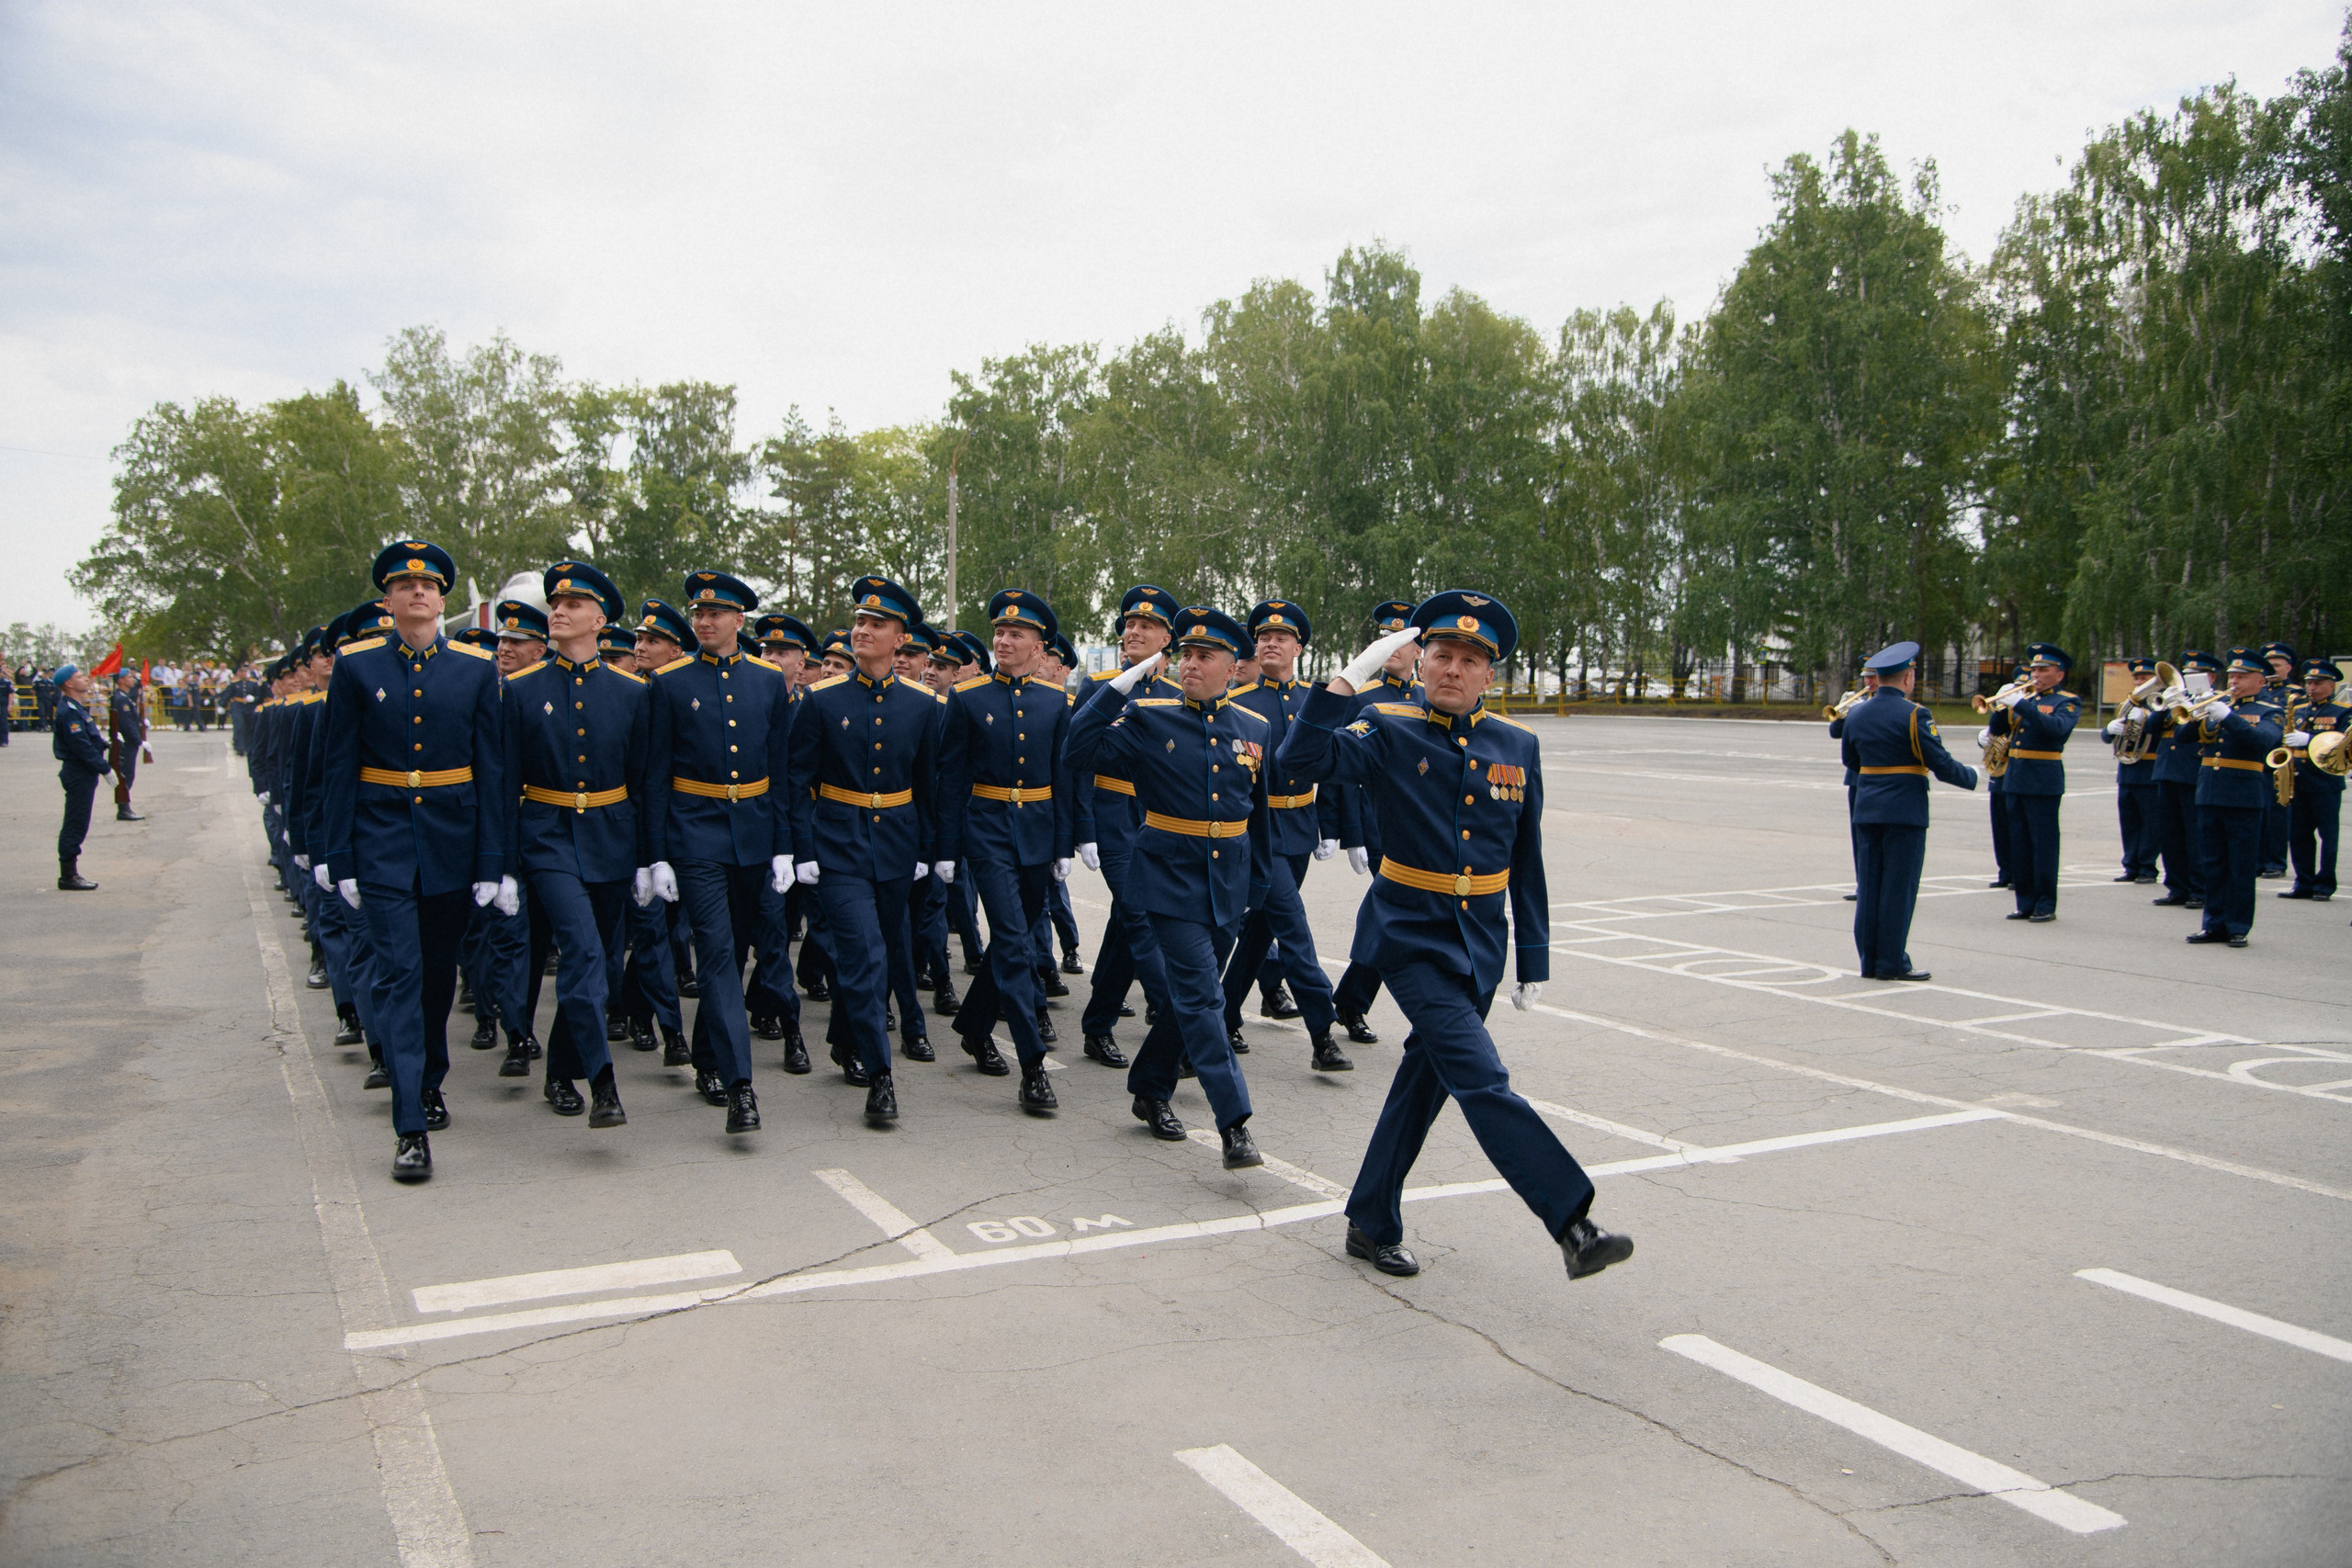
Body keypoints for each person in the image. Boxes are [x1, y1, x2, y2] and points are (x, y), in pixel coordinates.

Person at [1283, 591, 1634, 1283]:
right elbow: (1298, 764)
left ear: (1488, 675)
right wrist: (1343, 684)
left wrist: (1532, 956)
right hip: (1409, 937)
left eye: (1469, 660)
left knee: (1422, 1085)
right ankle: (1573, 1222)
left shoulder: (1517, 744)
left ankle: (1370, 1219)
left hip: (1482, 945)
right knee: (1482, 1077)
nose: (1452, 669)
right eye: (1441, 654)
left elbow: (1526, 859)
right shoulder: (1384, 724)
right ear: (1421, 663)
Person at [319, 541, 508, 1181]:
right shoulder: (355, 667)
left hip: (453, 843)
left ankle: (429, 1078)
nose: (418, 593)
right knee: (400, 973)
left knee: (434, 977)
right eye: (404, 585)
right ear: (389, 600)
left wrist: (492, 860)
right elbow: (337, 764)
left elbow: (492, 770)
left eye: (428, 586)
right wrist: (335, 855)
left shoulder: (477, 669)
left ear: (442, 599)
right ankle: (409, 1126)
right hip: (381, 841)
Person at [1064, 606, 1268, 1166]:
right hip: (1167, 880)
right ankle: (1235, 1123)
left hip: (1227, 883)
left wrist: (1261, 884)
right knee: (1203, 997)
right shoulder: (1149, 716)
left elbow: (1259, 815)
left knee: (1191, 1002)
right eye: (1186, 655)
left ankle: (1151, 1087)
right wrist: (1116, 686)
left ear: (1233, 668)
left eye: (1206, 657)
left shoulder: (1255, 729)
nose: (1192, 665)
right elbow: (1076, 752)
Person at [642, 571, 799, 1132]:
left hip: (755, 833)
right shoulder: (668, 682)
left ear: (739, 621)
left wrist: (785, 847)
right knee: (714, 952)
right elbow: (656, 776)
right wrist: (656, 854)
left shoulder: (765, 681)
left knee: (733, 956)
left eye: (716, 613)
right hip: (695, 833)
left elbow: (779, 773)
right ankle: (740, 1086)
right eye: (698, 613)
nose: (704, 622)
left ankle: (708, 1055)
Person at [785, 576, 940, 1126]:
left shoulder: (923, 704)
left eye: (876, 624)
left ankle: (843, 1037)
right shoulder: (821, 698)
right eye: (859, 622)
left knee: (878, 951)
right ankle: (881, 1076)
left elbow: (929, 785)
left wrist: (929, 847)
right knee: (866, 955)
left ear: (900, 639)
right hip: (837, 844)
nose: (862, 630)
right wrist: (800, 849)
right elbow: (795, 779)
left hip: (896, 845)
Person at [501, 560, 645, 1130]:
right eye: (555, 604)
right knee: (582, 953)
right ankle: (603, 1081)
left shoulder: (632, 693)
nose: (558, 611)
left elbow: (643, 781)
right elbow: (503, 780)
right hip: (547, 838)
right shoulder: (520, 690)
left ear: (599, 619)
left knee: (604, 967)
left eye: (572, 605)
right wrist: (502, 863)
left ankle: (559, 1070)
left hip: (611, 839)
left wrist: (647, 856)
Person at [941, 588, 1072, 1112]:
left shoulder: (1056, 702)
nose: (1005, 640)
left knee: (1011, 942)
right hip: (988, 830)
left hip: (1039, 830)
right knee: (1015, 941)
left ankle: (974, 1026)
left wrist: (1065, 843)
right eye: (1000, 632)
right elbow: (950, 779)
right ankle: (1033, 1066)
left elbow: (1065, 779)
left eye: (1017, 634)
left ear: (1040, 647)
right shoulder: (969, 698)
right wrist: (946, 847)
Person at [1218, 599, 1347, 1071]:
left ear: (1298, 647)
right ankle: (1323, 1032)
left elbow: (1331, 767)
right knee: (1295, 931)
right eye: (1264, 638)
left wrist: (1330, 829)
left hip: (1300, 828)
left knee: (1259, 933)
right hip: (1260, 833)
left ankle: (1226, 1011)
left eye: (1282, 638)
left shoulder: (1315, 701)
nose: (1272, 643)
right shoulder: (1237, 705)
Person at [1072, 585, 1185, 1068]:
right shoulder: (1100, 685)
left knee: (1126, 927)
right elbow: (1074, 758)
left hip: (1155, 822)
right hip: (1111, 819)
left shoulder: (1176, 694)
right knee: (1143, 918)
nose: (1133, 632)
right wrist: (1083, 829)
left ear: (1167, 639)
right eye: (1129, 625)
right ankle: (1174, 1022)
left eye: (1146, 626)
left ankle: (1097, 1026)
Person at [1841, 640, 1980, 982]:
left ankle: (1869, 961)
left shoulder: (1856, 713)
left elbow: (1851, 761)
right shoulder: (1915, 714)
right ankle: (1892, 963)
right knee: (1898, 889)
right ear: (1907, 678)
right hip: (1904, 809)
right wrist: (1974, 776)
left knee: (1871, 886)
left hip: (1867, 808)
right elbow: (1941, 764)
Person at [1327, 600, 1426, 1046]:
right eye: (1385, 638)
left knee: (1392, 922)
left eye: (1402, 640)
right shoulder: (1363, 698)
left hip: (1423, 830)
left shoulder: (1428, 699)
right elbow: (1342, 769)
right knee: (1402, 920)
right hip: (1378, 826)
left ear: (1419, 649)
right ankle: (1412, 1013)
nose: (1393, 648)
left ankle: (1349, 1000)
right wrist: (1351, 833)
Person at [2180, 649, 2285, 947]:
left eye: (2242, 676)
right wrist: (2195, 710)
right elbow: (2183, 739)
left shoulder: (2269, 711)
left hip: (2243, 795)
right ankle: (2213, 923)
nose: (2235, 681)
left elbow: (2262, 741)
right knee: (2213, 863)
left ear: (2260, 681)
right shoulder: (2218, 705)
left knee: (2240, 865)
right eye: (2233, 676)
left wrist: (2228, 716)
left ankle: (2238, 925)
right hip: (2210, 791)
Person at [1983, 643, 2077, 922]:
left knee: (2043, 844)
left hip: (2043, 780)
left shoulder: (2066, 701)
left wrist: (2021, 704)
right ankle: (2024, 902)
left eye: (2042, 669)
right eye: (2033, 668)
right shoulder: (2027, 698)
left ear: (2058, 675)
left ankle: (2046, 903)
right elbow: (1997, 730)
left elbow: (2056, 730)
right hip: (2015, 778)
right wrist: (2001, 707)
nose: (2035, 673)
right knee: (2020, 843)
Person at [2150, 650, 2221, 911]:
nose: (2188, 680)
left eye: (2195, 675)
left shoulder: (2212, 701)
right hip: (2166, 770)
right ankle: (2176, 886)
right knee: (2170, 834)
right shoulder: (2177, 696)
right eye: (2186, 675)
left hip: (2192, 771)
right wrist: (2167, 702)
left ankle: (2198, 888)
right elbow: (2152, 728)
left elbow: (2188, 733)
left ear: (2211, 677)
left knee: (2194, 835)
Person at [2278, 659, 2346, 902]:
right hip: (2299, 780)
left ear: (2331, 685)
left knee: (2328, 836)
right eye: (2309, 682)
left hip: (2326, 782)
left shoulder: (2342, 711)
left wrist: (2310, 738)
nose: (2312, 688)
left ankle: (2325, 884)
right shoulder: (2298, 709)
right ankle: (2303, 881)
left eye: (2318, 683)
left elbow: (2342, 743)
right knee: (2299, 835)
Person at [51, 662, 111, 890]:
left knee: (80, 821)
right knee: (75, 823)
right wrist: (104, 768)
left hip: (83, 771)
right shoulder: (68, 711)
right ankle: (68, 875)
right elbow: (80, 746)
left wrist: (104, 743)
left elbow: (89, 739)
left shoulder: (76, 708)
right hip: (78, 772)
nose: (85, 679)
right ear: (68, 683)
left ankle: (70, 872)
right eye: (79, 676)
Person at [2103, 657, 2163, 883]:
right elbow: (2108, 737)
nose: (2139, 682)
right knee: (2129, 822)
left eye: (2145, 678)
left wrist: (2148, 719)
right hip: (2127, 771)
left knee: (2150, 823)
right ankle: (2131, 866)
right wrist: (2110, 730)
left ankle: (2147, 867)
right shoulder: (2127, 705)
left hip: (2150, 769)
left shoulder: (2160, 704)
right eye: (2137, 678)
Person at [1828, 661, 1876, 899]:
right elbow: (1836, 734)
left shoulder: (1891, 705)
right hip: (1857, 779)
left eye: (1872, 678)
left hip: (1878, 778)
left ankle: (1877, 885)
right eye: (1866, 678)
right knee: (1860, 836)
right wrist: (1842, 713)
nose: (1868, 683)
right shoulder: (1857, 703)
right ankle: (1863, 884)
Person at [2258, 641, 2301, 878]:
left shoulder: (2294, 693)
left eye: (2277, 665)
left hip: (2281, 759)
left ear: (2288, 668)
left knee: (2277, 814)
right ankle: (2259, 860)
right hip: (2259, 759)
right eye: (2269, 666)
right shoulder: (2259, 692)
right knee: (2259, 812)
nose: (2272, 670)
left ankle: (2275, 861)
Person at [109, 669, 149, 821]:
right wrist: (139, 740)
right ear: (120, 680)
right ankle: (123, 809)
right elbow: (126, 724)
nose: (133, 679)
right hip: (125, 743)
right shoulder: (120, 699)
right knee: (125, 774)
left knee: (128, 774)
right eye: (129, 677)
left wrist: (142, 722)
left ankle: (125, 808)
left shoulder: (124, 697)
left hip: (128, 742)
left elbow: (131, 720)